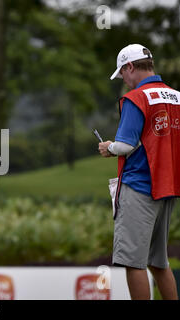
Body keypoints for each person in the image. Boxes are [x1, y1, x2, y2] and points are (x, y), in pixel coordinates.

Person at [99, 44, 180, 300]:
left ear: (130, 67)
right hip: (168, 188)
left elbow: (125, 145)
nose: (123, 79)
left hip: (140, 187)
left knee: (134, 263)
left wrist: (108, 147)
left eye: (122, 72)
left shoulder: (136, 98)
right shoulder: (177, 96)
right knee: (159, 263)